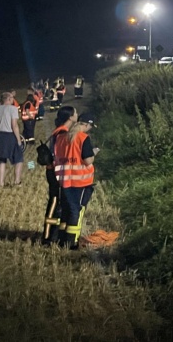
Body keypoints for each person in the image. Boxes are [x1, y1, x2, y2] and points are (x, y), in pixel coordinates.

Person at [53, 113, 98, 249]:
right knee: (76, 211)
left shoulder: (61, 137)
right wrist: (94, 152)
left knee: (66, 209)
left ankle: (61, 238)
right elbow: (87, 160)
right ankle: (71, 242)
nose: (89, 129)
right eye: (90, 126)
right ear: (86, 124)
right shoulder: (83, 138)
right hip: (81, 181)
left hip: (65, 180)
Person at [43, 106, 78, 244]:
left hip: (56, 170)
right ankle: (47, 237)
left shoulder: (61, 130)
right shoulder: (62, 132)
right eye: (75, 113)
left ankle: (56, 235)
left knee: (60, 203)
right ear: (70, 117)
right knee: (54, 202)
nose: (77, 114)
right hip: (55, 172)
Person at [0, 92, 24, 187]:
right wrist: (18, 140)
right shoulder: (13, 109)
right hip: (9, 135)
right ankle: (17, 181)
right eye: (12, 98)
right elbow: (14, 125)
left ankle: (1, 182)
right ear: (9, 99)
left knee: (2, 160)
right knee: (19, 158)